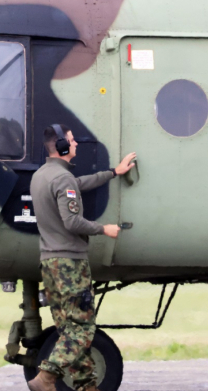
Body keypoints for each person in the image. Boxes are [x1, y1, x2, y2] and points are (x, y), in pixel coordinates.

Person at [26, 124, 136, 391]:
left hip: (50, 263)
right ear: (62, 146)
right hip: (70, 264)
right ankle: (46, 376)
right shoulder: (62, 178)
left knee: (68, 331)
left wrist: (113, 172)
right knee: (82, 330)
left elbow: (79, 184)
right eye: (72, 140)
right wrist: (104, 229)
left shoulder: (42, 176)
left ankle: (87, 386)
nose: (76, 144)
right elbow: (72, 221)